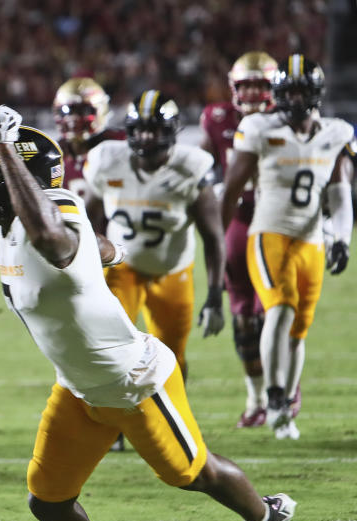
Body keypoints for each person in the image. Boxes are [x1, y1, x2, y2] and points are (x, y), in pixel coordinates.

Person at [0, 104, 295, 521]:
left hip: (134, 380)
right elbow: (89, 243)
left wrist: (6, 147)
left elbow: (54, 237)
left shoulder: (56, 208)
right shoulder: (11, 224)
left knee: (191, 473)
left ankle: (265, 518)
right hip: (78, 385)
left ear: (20, 179)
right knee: (47, 497)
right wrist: (108, 253)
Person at [221, 55, 355, 440]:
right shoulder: (259, 128)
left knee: (299, 328)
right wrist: (219, 236)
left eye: (301, 90)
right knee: (279, 307)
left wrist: (342, 238)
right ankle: (273, 394)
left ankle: (283, 410)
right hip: (269, 232)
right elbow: (232, 188)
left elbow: (340, 191)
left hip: (311, 238)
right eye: (289, 91)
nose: (295, 98)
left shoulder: (335, 132)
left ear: (315, 93)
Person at [83, 89, 226, 383]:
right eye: (141, 129)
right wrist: (88, 270)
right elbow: (88, 220)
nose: (147, 137)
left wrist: (214, 295)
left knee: (172, 357)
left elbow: (213, 237)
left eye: (154, 130)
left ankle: (172, 421)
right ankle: (115, 425)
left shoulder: (192, 167)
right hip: (121, 268)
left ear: (171, 131)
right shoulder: (107, 159)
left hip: (172, 271)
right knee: (110, 350)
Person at [199, 51, 282, 428]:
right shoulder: (217, 119)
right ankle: (255, 397)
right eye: (244, 84)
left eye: (258, 84)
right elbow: (203, 166)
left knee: (276, 311)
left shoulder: (284, 120)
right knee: (244, 317)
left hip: (277, 221)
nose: (250, 92)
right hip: (237, 218)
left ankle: (284, 387)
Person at [52, 77, 123, 203]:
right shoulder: (54, 154)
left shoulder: (117, 147)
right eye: (66, 111)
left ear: (101, 110)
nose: (72, 118)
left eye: (82, 110)